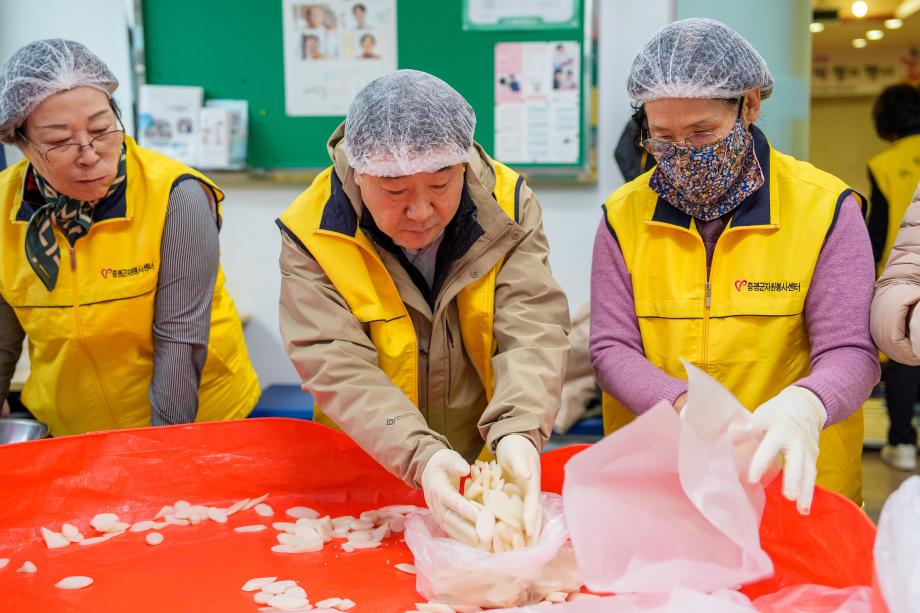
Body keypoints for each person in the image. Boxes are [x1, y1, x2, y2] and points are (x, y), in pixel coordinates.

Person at [590, 19, 879, 512]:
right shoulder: (623, 216)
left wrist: (808, 404)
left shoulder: (825, 208)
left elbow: (851, 350)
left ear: (749, 104)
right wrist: (681, 404)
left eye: (703, 132)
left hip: (792, 485)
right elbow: (611, 347)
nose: (683, 155)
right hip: (665, 486)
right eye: (663, 138)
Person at [277, 69, 570, 543]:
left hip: (481, 459)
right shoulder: (313, 230)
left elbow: (532, 322)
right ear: (357, 170)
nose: (420, 211)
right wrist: (422, 456)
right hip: (366, 466)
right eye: (394, 192)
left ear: (463, 165)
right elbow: (335, 361)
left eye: (439, 186)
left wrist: (518, 429)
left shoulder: (508, 204)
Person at [0, 39, 259, 435]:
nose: (89, 155)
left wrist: (161, 454)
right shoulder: (4, 207)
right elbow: (3, 338)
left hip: (196, 424)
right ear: (20, 141)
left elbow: (180, 341)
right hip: (73, 432)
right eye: (58, 141)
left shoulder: (175, 195)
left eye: (102, 129)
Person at [866, 84, 920, 471]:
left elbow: (878, 229)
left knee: (903, 356)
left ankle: (901, 442)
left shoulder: (883, 164)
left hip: (902, 273)